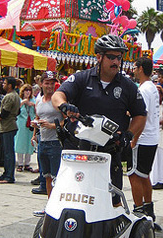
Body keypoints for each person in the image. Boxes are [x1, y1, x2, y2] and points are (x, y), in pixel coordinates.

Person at [52, 34, 147, 209]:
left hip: (109, 153)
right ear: (99, 57)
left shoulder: (127, 86)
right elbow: (58, 95)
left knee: (112, 202)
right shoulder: (82, 78)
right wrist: (64, 106)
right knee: (71, 196)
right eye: (111, 57)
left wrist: (129, 135)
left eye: (119, 57)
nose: (116, 62)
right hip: (79, 150)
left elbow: (141, 115)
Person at [127, 57, 160, 228]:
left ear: (140, 69)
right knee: (144, 174)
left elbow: (142, 115)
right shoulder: (152, 88)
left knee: (134, 175)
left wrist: (135, 138)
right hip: (152, 137)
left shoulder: (143, 90)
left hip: (144, 138)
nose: (133, 70)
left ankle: (138, 210)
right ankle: (149, 209)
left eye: (134, 67)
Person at [31, 72, 64, 206]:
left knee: (57, 177)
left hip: (56, 142)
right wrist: (35, 130)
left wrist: (52, 126)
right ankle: (50, 205)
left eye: (52, 83)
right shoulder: (38, 100)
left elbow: (66, 120)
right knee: (47, 176)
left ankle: (58, 205)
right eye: (47, 83)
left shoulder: (57, 100)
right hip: (43, 141)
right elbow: (38, 118)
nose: (50, 86)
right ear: (41, 84)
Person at [0, 76, 20, 184]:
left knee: (8, 153)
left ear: (10, 85)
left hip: (8, 126)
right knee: (6, 152)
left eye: (4, 83)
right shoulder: (15, 96)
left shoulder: (10, 97)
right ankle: (6, 173)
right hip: (8, 126)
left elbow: (4, 113)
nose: (3, 85)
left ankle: (9, 176)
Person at [15, 83, 36, 172]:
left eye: (29, 90)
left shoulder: (33, 100)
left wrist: (33, 105)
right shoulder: (19, 99)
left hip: (30, 123)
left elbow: (37, 110)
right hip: (21, 123)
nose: (27, 92)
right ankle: (20, 163)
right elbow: (16, 109)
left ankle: (27, 163)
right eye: (26, 90)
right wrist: (23, 102)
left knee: (29, 143)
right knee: (20, 142)